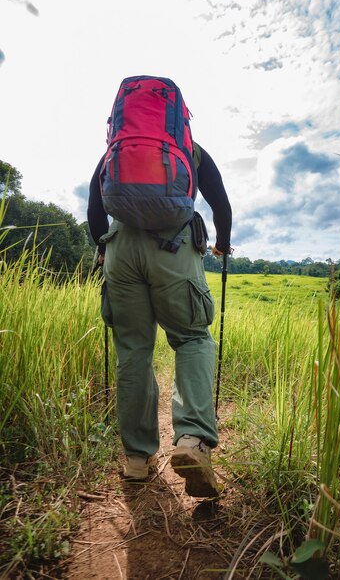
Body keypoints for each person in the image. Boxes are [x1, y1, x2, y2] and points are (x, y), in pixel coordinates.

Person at [87, 141, 232, 497]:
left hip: (121, 248)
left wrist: (104, 250)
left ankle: (137, 458)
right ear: (179, 117)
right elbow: (221, 205)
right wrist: (222, 244)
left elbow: (95, 207)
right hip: (174, 247)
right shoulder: (191, 150)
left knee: (133, 350)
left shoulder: (115, 150)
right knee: (192, 338)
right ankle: (192, 439)